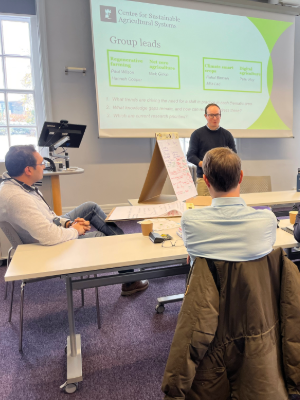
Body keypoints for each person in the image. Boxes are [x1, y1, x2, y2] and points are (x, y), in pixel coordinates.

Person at [0, 145, 148, 296]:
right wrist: (75, 230)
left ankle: (128, 263)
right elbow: (48, 236)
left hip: (48, 231)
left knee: (91, 207)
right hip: (42, 246)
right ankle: (130, 276)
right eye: (41, 163)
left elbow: (49, 216)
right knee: (102, 239)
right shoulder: (17, 198)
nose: (44, 166)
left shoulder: (20, 185)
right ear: (28, 170)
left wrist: (68, 223)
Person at [182, 147, 277, 265]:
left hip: (208, 283)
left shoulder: (189, 221)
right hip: (251, 283)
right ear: (241, 177)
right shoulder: (268, 220)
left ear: (206, 180)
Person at [187, 103, 237, 196]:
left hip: (224, 179)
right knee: (202, 207)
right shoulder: (197, 134)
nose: (215, 118)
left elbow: (234, 156)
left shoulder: (227, 135)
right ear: (205, 116)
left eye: (217, 115)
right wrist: (204, 164)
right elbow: (190, 156)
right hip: (204, 179)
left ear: (220, 116)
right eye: (211, 115)